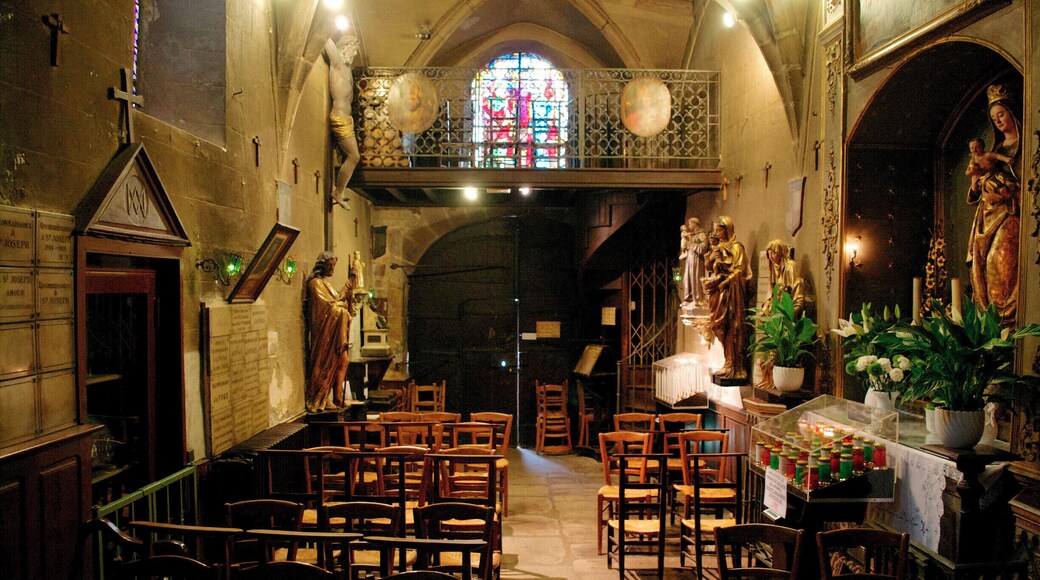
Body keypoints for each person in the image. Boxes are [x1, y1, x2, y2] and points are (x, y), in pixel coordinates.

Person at [965, 84, 1021, 326]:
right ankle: (995, 325)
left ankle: (1007, 321)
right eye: (993, 118)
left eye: (1001, 114)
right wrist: (977, 185)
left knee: (1000, 261)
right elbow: (977, 180)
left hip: (1012, 214)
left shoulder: (1027, 143)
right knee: (986, 265)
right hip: (988, 215)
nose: (998, 121)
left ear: (1012, 112)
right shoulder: (996, 149)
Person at [306, 251, 363, 412]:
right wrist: (343, 309)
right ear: (322, 265)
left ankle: (334, 397)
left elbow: (337, 299)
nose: (332, 268)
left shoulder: (326, 284)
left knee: (342, 361)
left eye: (334, 265)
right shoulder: (315, 284)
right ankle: (320, 396)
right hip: (325, 334)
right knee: (325, 364)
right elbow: (327, 308)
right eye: (330, 265)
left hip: (335, 334)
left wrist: (350, 284)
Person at [702, 216, 753, 381]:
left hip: (732, 295)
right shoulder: (718, 247)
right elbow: (710, 266)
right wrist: (711, 254)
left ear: (728, 230)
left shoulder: (737, 248)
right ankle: (727, 362)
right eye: (716, 230)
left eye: (720, 230)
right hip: (719, 293)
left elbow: (740, 271)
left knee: (733, 328)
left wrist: (725, 281)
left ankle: (736, 366)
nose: (717, 233)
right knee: (721, 328)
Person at [756, 240, 806, 388]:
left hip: (785, 316)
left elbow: (792, 294)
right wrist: (768, 305)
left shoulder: (790, 267)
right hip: (774, 315)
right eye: (769, 253)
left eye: (774, 252)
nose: (771, 256)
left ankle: (774, 380)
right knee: (767, 350)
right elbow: (772, 292)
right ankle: (768, 379)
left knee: (777, 351)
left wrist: (787, 312)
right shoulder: (774, 269)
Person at [325, 36, 362, 211]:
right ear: (345, 47)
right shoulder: (338, 63)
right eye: (354, 48)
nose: (355, 52)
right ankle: (338, 192)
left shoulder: (346, 68)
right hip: (340, 118)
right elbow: (325, 38)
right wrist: (325, 20)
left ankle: (339, 191)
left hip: (347, 119)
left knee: (353, 156)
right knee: (354, 156)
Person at [680, 217, 709, 307]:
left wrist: (692, 243)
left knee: (695, 277)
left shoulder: (701, 235)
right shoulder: (691, 235)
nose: (689, 226)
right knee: (687, 278)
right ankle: (688, 298)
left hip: (697, 259)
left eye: (690, 224)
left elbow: (703, 248)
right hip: (690, 257)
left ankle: (697, 298)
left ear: (694, 224)